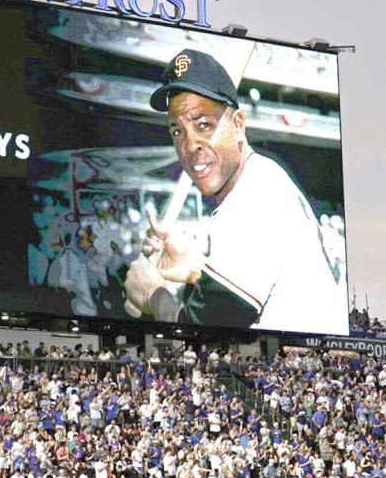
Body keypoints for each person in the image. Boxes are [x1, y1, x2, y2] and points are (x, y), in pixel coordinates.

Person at [123, 48, 346, 333]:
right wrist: (195, 269)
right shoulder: (264, 176)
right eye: (177, 131)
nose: (190, 146)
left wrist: (152, 295)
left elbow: (202, 335)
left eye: (204, 124)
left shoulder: (252, 199)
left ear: (238, 125)